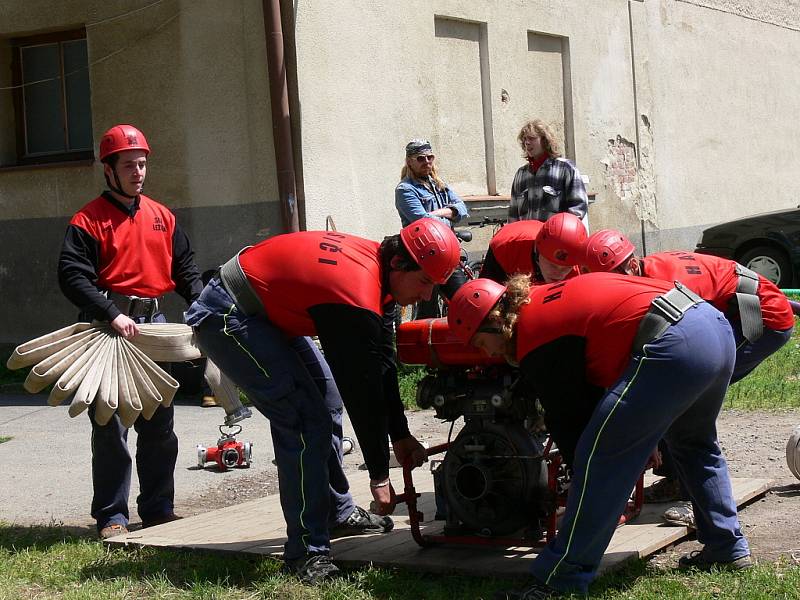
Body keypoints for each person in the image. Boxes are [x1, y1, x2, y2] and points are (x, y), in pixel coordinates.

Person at [185, 218, 461, 583]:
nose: (427, 296)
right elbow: (361, 390)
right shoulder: (356, 292)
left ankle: (336, 512)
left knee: (327, 401)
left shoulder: (382, 276)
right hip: (227, 314)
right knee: (303, 421)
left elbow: (381, 365)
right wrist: (379, 475)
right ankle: (305, 553)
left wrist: (401, 434)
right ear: (399, 264)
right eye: (424, 282)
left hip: (264, 311)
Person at [448, 274, 751, 598]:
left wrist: (592, 475)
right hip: (712, 326)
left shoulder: (534, 337)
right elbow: (599, 366)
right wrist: (636, 436)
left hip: (673, 345)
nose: (490, 353)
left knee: (598, 463)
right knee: (695, 445)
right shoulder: (543, 299)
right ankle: (726, 546)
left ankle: (558, 580)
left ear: (496, 322)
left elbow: (572, 424)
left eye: (482, 343)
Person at [584, 229, 795, 523]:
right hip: (736, 310)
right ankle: (676, 479)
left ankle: (692, 499)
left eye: (614, 277)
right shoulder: (646, 273)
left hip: (761, 318)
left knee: (686, 402)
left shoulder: (664, 285)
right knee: (674, 397)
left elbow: (690, 345)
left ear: (631, 265)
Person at [57, 124, 203, 540]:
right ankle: (111, 516)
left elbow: (186, 270)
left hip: (154, 328)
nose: (138, 172)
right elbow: (72, 275)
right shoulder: (88, 220)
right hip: (108, 330)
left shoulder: (163, 216)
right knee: (111, 426)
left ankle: (157, 509)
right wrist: (109, 311)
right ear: (109, 170)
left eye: (142, 164)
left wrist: (201, 303)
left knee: (160, 424)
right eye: (129, 165)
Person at [395, 139, 469, 315]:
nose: (427, 162)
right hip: (424, 260)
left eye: (430, 157)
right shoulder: (405, 190)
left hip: (448, 256)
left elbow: (463, 209)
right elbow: (424, 222)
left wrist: (438, 213)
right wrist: (449, 212)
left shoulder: (439, 185)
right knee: (428, 311)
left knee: (463, 302)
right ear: (409, 161)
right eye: (420, 158)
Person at [507, 119, 588, 225]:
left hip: (556, 238)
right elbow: (513, 215)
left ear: (545, 140)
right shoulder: (521, 174)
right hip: (528, 240)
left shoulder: (566, 169)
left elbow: (577, 209)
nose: (527, 142)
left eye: (532, 138)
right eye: (525, 139)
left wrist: (560, 231)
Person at [479, 212, 587, 285]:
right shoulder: (506, 248)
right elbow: (485, 295)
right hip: (512, 246)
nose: (558, 274)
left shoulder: (579, 268)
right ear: (538, 252)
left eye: (566, 268)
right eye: (552, 265)